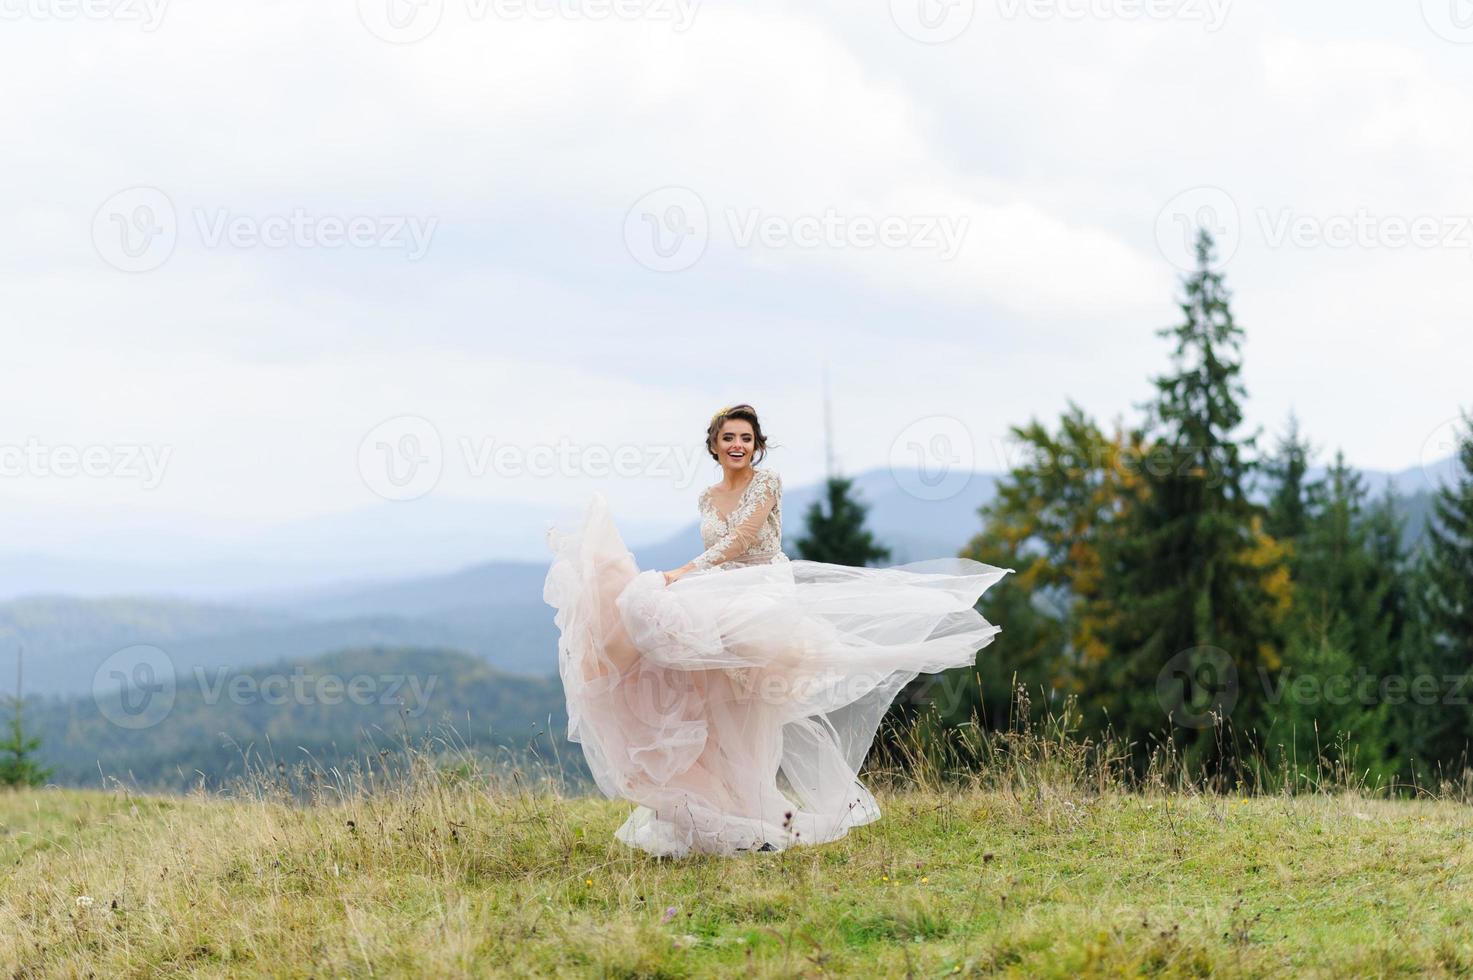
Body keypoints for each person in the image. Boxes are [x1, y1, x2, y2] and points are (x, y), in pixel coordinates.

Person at [544, 404, 1008, 857]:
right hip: (723, 593)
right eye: (729, 438)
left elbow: (742, 540)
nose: (738, 445)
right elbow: (718, 549)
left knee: (748, 703)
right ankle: (725, 810)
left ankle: (754, 810)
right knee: (701, 688)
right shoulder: (706, 497)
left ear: (758, 446)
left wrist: (680, 573)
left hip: (762, 594)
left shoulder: (767, 482)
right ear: (714, 445)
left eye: (746, 438)